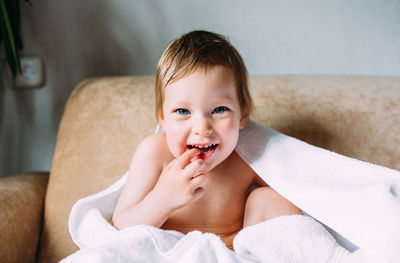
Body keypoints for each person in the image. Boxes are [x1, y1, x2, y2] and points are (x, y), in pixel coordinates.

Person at [112, 30, 302, 250]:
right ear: (162, 118)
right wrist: (161, 201)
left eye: (219, 109)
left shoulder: (247, 159)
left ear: (242, 115)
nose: (202, 129)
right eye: (183, 111)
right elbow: (121, 224)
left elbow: (297, 199)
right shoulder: (155, 153)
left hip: (230, 253)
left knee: (270, 199)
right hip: (169, 252)